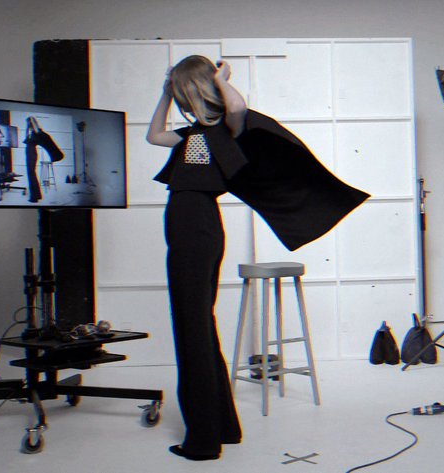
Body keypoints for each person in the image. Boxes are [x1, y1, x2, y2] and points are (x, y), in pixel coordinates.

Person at [147, 55, 369, 461]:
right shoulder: (189, 134)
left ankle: (202, 442)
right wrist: (164, 93)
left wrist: (220, 78)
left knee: (191, 327)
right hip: (190, 225)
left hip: (194, 224)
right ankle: (224, 428)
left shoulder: (226, 130)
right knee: (199, 324)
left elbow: (235, 106)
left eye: (181, 93)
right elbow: (154, 136)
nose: (181, 101)